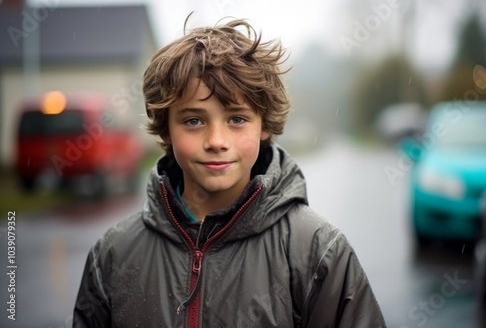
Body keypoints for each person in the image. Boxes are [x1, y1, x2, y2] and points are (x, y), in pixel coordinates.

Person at [73, 18, 386, 328]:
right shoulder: (113, 255)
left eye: (237, 119)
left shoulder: (318, 252)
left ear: (264, 125)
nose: (216, 142)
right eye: (194, 121)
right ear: (166, 128)